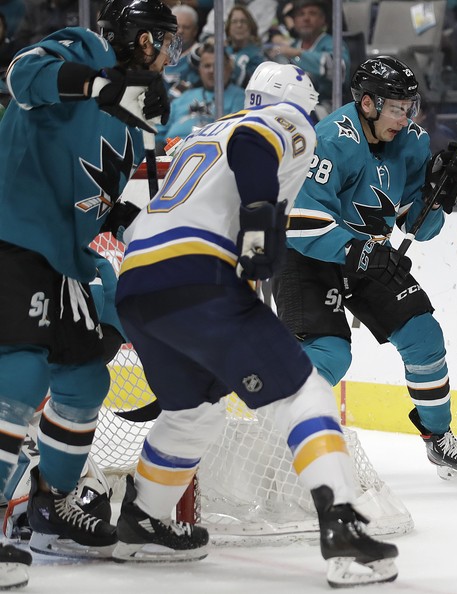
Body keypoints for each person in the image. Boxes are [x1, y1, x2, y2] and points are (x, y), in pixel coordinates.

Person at [113, 61, 398, 585]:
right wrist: (261, 221)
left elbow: (130, 209)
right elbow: (254, 145)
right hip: (198, 274)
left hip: (137, 284)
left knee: (193, 412)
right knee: (304, 394)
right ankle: (343, 526)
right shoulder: (285, 121)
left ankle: (144, 520)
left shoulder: (201, 132)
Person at [0, 0, 178, 586]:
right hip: (15, 235)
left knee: (84, 381)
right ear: (134, 37)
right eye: (161, 39)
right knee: (21, 377)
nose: (169, 54)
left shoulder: (146, 108)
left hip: (70, 259)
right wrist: (102, 87)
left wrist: (141, 225)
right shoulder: (80, 47)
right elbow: (21, 78)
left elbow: (137, 187)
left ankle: (50, 506)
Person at [276, 56, 457, 483]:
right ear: (369, 103)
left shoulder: (411, 141)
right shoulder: (330, 140)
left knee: (423, 336)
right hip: (309, 260)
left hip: (367, 257)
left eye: (410, 107)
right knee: (330, 356)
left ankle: (438, 438)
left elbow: (417, 226)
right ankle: (281, 445)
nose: (405, 117)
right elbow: (299, 221)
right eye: (396, 107)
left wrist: (439, 192)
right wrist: (363, 253)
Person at [265, 0, 349, 118]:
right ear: (294, 21)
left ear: (323, 20)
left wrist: (298, 53)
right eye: (301, 14)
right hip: (291, 107)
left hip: (329, 110)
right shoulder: (292, 45)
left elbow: (340, 69)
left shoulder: (334, 43)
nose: (306, 18)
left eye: (312, 13)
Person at [156, 41, 246, 146]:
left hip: (209, 151)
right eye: (207, 66)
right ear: (200, 70)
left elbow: (236, 135)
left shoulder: (239, 97)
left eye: (217, 66)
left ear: (228, 69)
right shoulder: (183, 96)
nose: (211, 71)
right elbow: (158, 132)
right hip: (169, 151)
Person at [226, 4, 265, 87]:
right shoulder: (222, 51)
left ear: (250, 26)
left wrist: (232, 67)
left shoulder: (259, 55)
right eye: (234, 22)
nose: (239, 25)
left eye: (243, 21)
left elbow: (257, 84)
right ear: (228, 28)